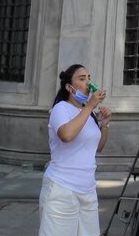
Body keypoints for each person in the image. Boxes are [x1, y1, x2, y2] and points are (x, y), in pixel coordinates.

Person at [39, 63, 111, 236]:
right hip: (62, 189)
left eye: (89, 78)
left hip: (87, 189)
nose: (88, 82)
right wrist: (89, 107)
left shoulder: (89, 114)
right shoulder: (61, 108)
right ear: (70, 87)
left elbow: (98, 147)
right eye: (82, 78)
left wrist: (104, 124)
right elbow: (66, 135)